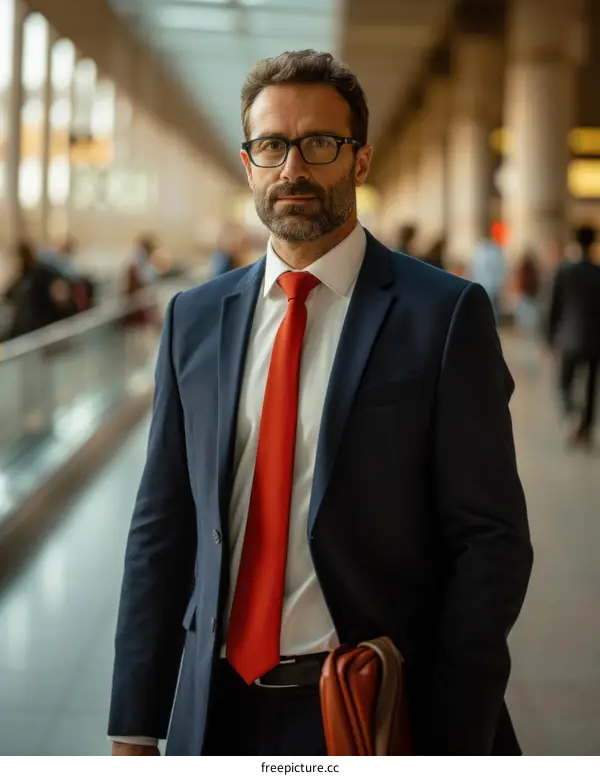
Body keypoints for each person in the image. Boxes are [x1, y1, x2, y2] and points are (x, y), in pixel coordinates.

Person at [108, 50, 532, 756]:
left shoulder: (444, 314)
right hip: (213, 712)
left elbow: (491, 541)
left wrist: (453, 729)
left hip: (369, 710)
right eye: (272, 145)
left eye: (319, 144)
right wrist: (134, 723)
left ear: (359, 161)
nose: (293, 169)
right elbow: (162, 526)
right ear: (249, 164)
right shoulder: (195, 317)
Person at [545, 225, 600, 449]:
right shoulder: (598, 272)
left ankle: (571, 415)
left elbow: (553, 307)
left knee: (563, 382)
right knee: (591, 386)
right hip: (596, 337)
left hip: (568, 337)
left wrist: (548, 337)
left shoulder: (564, 271)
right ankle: (585, 427)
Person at [468, 231, 507, 325]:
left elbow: (475, 269)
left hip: (485, 285)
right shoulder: (496, 252)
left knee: (487, 310)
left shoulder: (481, 253)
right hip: (493, 285)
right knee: (493, 310)